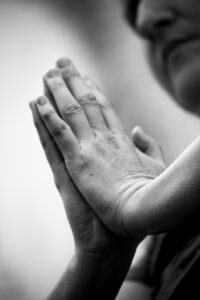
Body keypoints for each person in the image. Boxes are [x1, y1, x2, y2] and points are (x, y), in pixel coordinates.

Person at [30, 0, 200, 299]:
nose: (144, 20)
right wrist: (97, 262)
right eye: (133, 9)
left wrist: (143, 199)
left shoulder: (160, 208)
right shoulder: (169, 238)